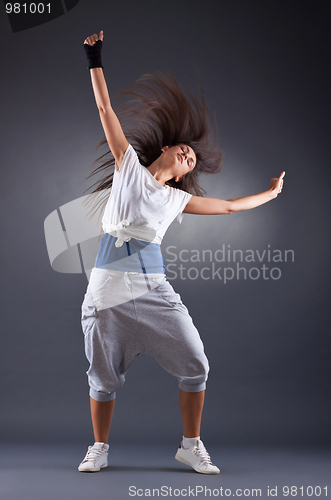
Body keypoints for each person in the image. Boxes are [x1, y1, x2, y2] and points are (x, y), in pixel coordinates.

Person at [78, 30, 285, 475]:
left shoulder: (176, 200)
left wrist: (269, 196)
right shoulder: (128, 167)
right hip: (106, 292)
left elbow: (229, 206)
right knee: (103, 376)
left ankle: (191, 445)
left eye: (193, 160)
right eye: (185, 150)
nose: (189, 155)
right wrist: (94, 57)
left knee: (196, 363)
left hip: (154, 292)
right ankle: (99, 448)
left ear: (181, 178)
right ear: (167, 150)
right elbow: (105, 108)